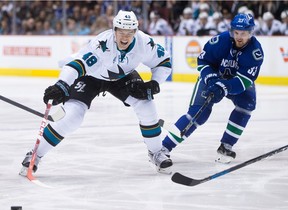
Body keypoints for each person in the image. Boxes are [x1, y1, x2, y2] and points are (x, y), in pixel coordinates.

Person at [20, 10, 173, 175]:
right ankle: (35, 154)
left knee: (146, 104)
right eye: (121, 31)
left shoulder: (144, 43)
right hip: (90, 76)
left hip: (122, 76)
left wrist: (154, 83)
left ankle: (156, 152)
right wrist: (61, 86)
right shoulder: (102, 44)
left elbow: (163, 62)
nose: (125, 36)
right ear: (114, 29)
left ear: (136, 31)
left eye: (130, 32)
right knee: (72, 117)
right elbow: (77, 65)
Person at [162, 13, 264, 164]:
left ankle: (226, 146)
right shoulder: (221, 41)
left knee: (247, 104)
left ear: (251, 33)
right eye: (236, 32)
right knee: (198, 114)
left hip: (234, 82)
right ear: (232, 31)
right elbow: (203, 61)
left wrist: (224, 87)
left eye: (243, 33)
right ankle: (164, 148)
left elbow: (244, 80)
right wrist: (212, 80)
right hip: (213, 77)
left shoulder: (255, 53)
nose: (239, 37)